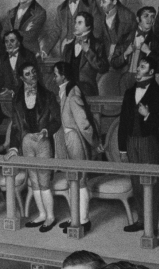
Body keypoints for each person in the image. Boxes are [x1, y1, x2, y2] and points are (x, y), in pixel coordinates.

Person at [117, 54, 159, 234]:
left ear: (152, 71)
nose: (138, 69)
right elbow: (123, 122)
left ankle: (151, 225)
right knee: (137, 184)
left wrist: (148, 115)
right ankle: (141, 220)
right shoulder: (129, 92)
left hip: (149, 142)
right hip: (131, 142)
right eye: (138, 66)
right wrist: (122, 149)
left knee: (151, 185)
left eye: (142, 66)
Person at [6, 62, 60, 231]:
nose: (32, 76)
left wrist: (46, 130)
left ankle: (50, 217)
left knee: (44, 180)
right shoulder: (17, 99)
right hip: (26, 142)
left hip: (43, 141)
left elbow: (57, 120)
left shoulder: (49, 95)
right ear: (22, 78)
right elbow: (15, 126)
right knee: (34, 181)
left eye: (34, 72)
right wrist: (14, 148)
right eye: (28, 74)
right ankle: (42, 215)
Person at [54, 61, 97, 232]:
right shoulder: (65, 90)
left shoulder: (73, 92)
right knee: (72, 178)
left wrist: (94, 142)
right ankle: (74, 217)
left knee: (80, 180)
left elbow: (84, 123)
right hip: (67, 137)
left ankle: (84, 220)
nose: (54, 77)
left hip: (75, 138)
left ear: (63, 75)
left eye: (56, 74)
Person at [116, 6, 159, 92]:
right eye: (146, 16)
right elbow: (114, 62)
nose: (150, 20)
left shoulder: (156, 41)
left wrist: (149, 52)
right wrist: (125, 54)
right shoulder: (125, 38)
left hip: (145, 79)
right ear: (138, 19)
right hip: (125, 78)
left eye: (152, 16)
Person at [63, 11, 108, 97]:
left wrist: (88, 51)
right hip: (69, 91)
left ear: (88, 26)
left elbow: (103, 68)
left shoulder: (97, 45)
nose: (75, 26)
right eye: (75, 22)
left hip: (88, 92)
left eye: (79, 23)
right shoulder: (68, 48)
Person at [94, 0, 138, 88]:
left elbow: (128, 44)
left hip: (123, 64)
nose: (101, 5)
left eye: (104, 2)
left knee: (104, 84)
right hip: (108, 62)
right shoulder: (102, 15)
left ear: (114, 1)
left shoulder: (127, 16)